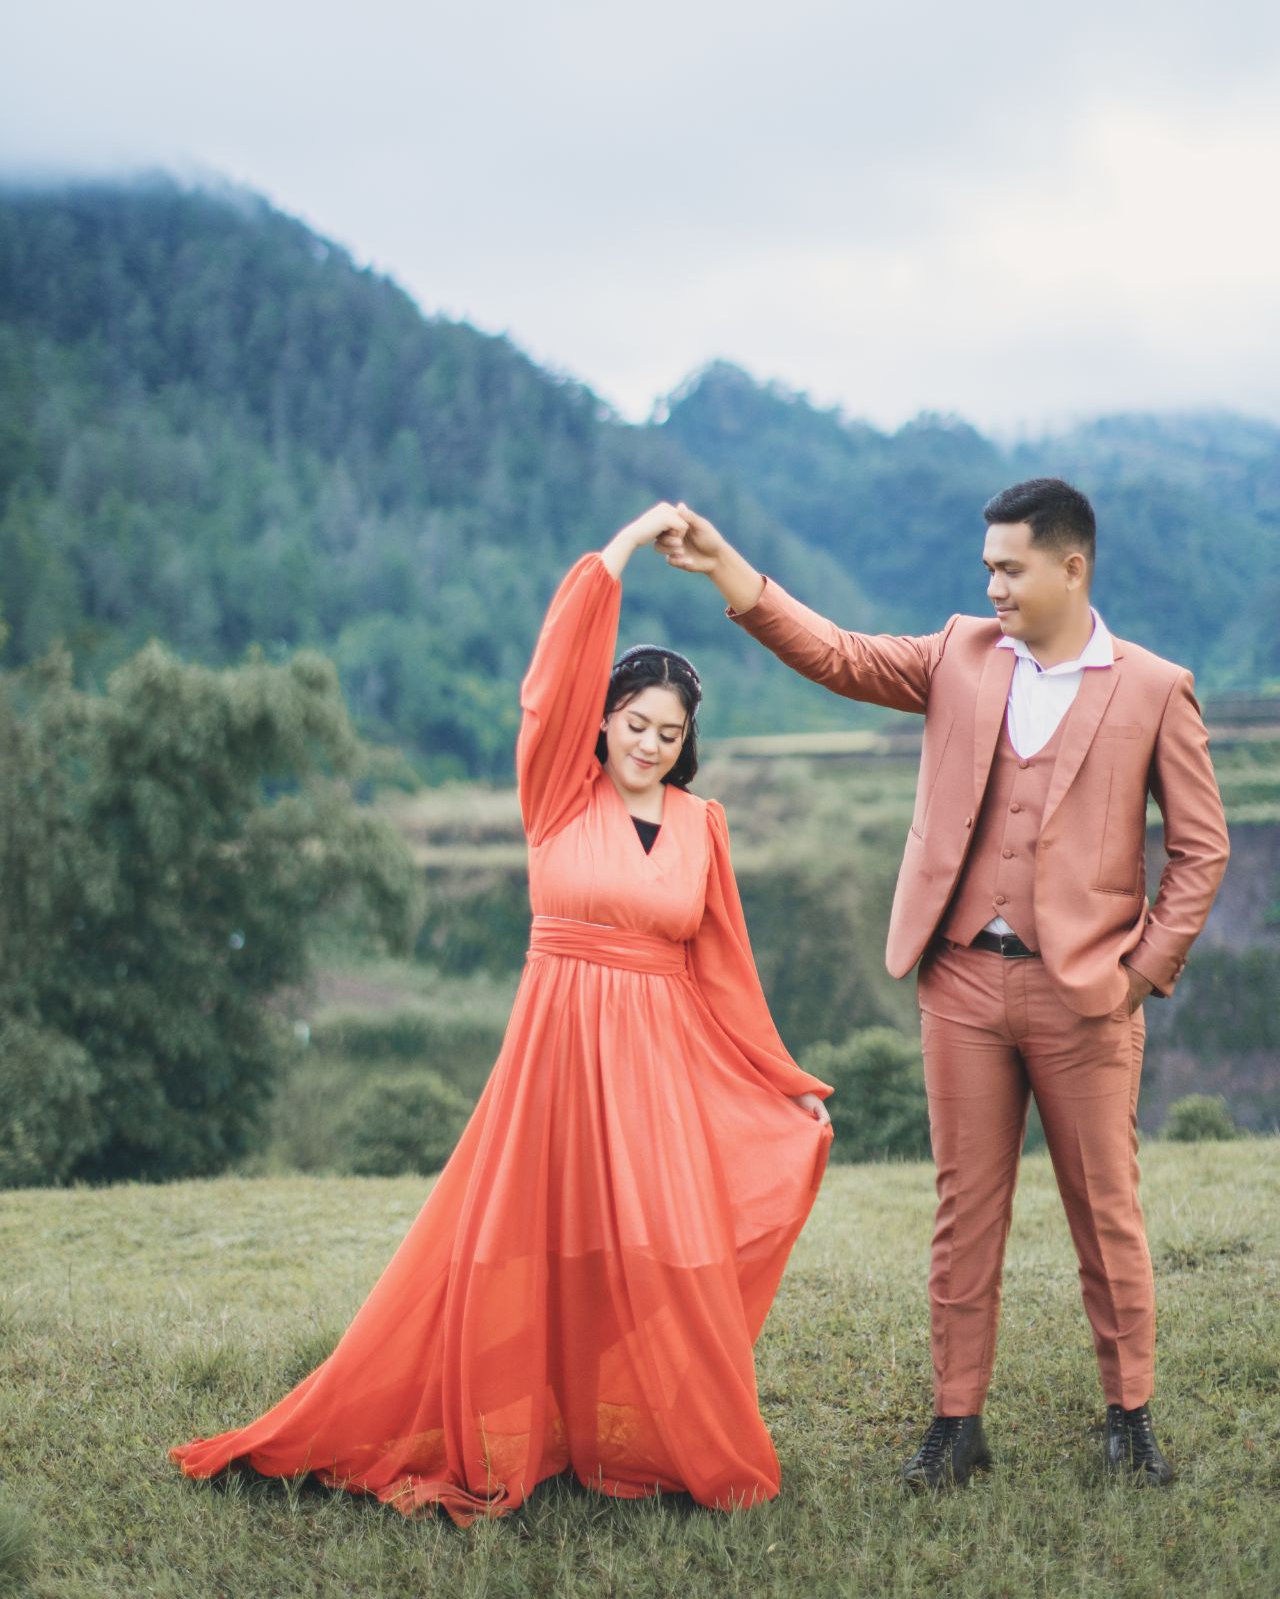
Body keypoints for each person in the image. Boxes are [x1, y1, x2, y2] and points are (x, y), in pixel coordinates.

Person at [170, 502, 832, 1523]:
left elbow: (724, 972)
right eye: (635, 724)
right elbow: (552, 678)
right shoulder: (557, 796)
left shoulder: (703, 825)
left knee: (668, 1249)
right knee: (523, 1239)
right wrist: (621, 548)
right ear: (601, 721)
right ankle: (513, 1426)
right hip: (558, 1054)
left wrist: (781, 1084)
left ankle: (666, 1439)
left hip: (656, 1067)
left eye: (670, 733)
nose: (650, 744)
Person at [660, 478, 1229, 1491]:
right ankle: (955, 1423)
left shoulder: (1152, 688)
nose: (992, 587)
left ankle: (1129, 1418)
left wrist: (1139, 974)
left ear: (1072, 568)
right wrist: (725, 570)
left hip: (1085, 996)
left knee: (1105, 1211)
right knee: (964, 1212)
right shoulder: (960, 654)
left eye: (1010, 568)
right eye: (987, 569)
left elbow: (1200, 849)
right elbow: (837, 654)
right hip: (959, 982)